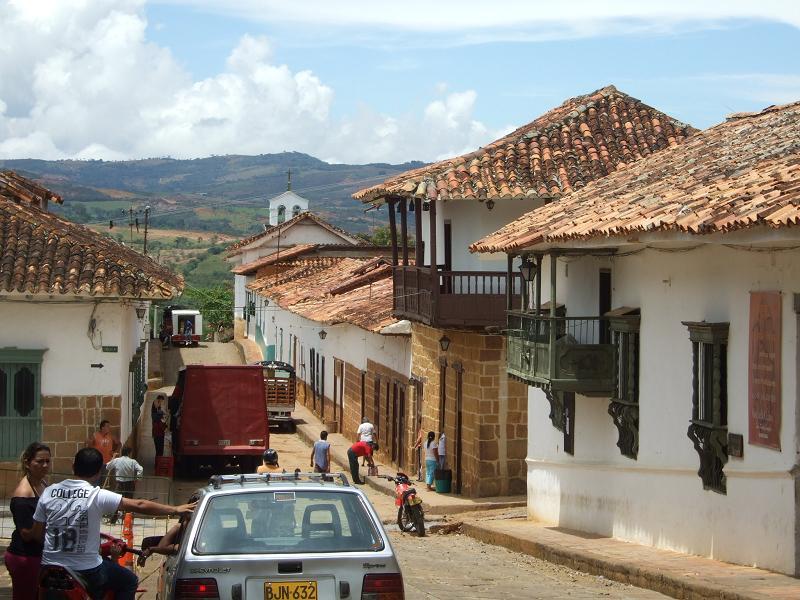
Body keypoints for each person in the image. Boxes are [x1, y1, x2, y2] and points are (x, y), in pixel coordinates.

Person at [31, 448, 195, 600]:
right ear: (99, 472)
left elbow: (37, 534)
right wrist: (175, 509)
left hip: (49, 569)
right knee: (129, 580)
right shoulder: (96, 495)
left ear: (73, 466)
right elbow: (139, 505)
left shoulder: (49, 492)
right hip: (87, 571)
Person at [4, 442, 51, 600]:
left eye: (47, 461)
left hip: (39, 554)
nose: (45, 465)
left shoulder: (43, 483)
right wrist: (41, 520)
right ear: (27, 463)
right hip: (25, 558)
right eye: (40, 461)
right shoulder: (23, 496)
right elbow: (27, 534)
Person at [106, 447, 144, 525]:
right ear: (129, 453)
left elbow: (108, 467)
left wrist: (113, 458)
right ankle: (127, 521)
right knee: (129, 502)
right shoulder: (133, 461)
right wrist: (138, 478)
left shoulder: (117, 460)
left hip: (119, 483)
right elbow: (140, 469)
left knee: (116, 501)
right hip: (130, 483)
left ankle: (113, 520)